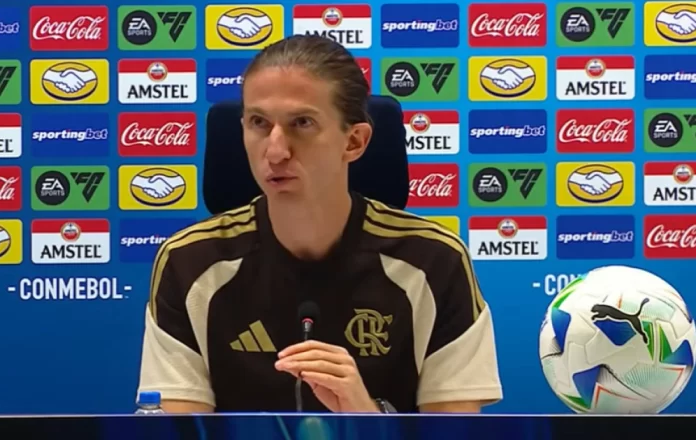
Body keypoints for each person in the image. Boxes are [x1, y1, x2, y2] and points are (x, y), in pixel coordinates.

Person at [137, 34, 502, 414]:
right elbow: (178, 428)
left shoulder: (435, 260)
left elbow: (456, 431)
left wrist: (366, 417)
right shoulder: (188, 261)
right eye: (259, 123)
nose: (275, 151)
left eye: (302, 123)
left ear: (354, 142)